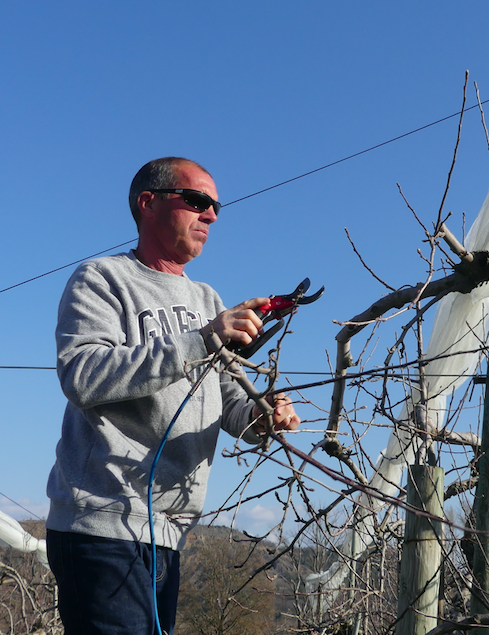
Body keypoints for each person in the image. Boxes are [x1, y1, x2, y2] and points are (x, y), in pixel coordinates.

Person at [45, 157, 299, 635]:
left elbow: (225, 400)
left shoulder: (207, 299)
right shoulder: (102, 280)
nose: (212, 216)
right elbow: (81, 376)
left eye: (216, 207)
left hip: (168, 532)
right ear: (148, 204)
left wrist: (262, 417)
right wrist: (200, 339)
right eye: (198, 201)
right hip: (101, 524)